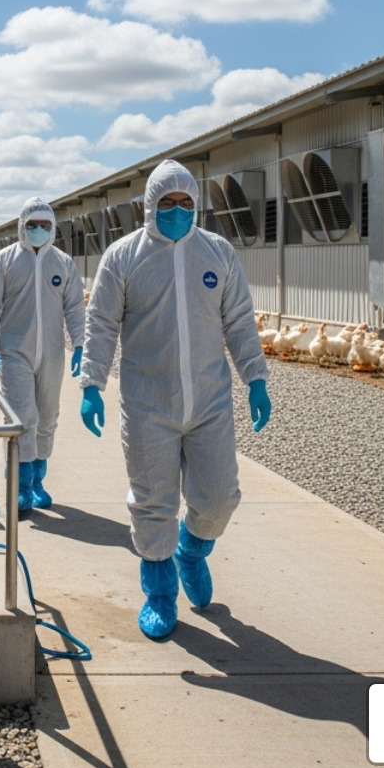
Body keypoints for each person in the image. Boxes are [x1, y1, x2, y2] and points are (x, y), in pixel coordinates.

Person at [78, 160, 271, 639]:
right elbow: (100, 323)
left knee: (221, 494)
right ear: (150, 205)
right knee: (153, 502)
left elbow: (240, 321)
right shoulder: (124, 257)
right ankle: (160, 593)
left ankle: (191, 550)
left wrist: (256, 378)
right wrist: (91, 384)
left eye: (187, 202)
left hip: (209, 401)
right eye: (168, 202)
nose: (178, 210)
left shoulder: (218, 253)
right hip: (147, 403)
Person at [0, 197, 86, 516]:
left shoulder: (63, 263)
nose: (38, 231)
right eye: (32, 225)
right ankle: (20, 484)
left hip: (52, 354)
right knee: (22, 417)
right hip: (14, 352)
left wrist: (81, 344)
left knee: (48, 416)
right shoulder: (4, 261)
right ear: (21, 227)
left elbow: (75, 307)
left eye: (45, 226)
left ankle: (38, 480)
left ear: (53, 228)